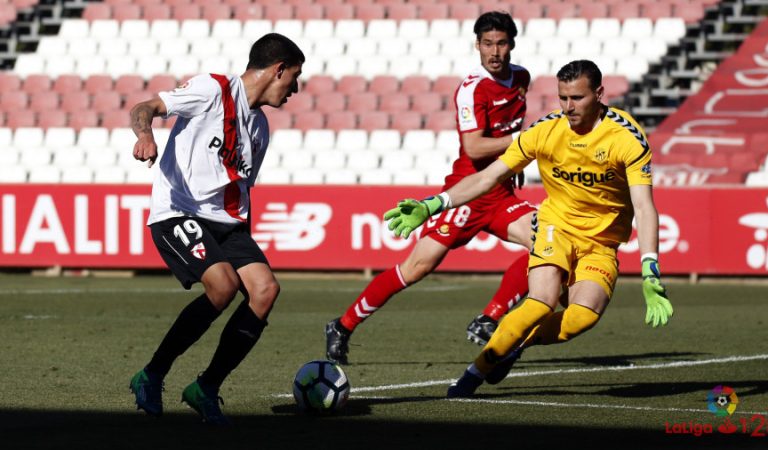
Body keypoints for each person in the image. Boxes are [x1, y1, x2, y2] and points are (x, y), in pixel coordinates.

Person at [384, 60, 674, 397]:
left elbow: (644, 206)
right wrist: (433, 204)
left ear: (598, 94)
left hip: (601, 242)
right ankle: (473, 374)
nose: (568, 107)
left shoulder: (627, 138)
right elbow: (489, 176)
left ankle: (517, 344)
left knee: (582, 317)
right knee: (540, 302)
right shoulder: (546, 130)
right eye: (562, 97)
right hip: (556, 227)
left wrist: (650, 267)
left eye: (577, 98)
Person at [325, 11, 538, 365]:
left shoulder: (521, 78)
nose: (494, 51)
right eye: (487, 44)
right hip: (467, 193)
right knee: (416, 268)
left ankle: (489, 318)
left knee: (551, 241)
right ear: (477, 45)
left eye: (501, 43)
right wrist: (522, 143)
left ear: (512, 44)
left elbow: (506, 136)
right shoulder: (471, 90)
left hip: (500, 195)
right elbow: (474, 147)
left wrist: (513, 162)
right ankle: (343, 325)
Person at [127, 33, 304, 425]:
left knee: (265, 291)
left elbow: (242, 187)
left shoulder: (259, 127)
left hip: (228, 223)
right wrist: (144, 135)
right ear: (278, 70)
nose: (295, 88)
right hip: (179, 210)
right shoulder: (212, 89)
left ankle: (206, 387)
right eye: (294, 76)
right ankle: (152, 373)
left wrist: (247, 244)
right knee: (222, 286)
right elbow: (147, 106)